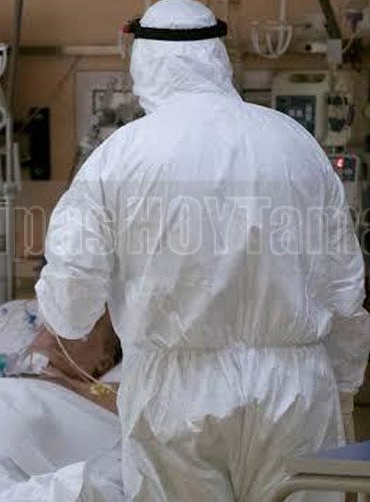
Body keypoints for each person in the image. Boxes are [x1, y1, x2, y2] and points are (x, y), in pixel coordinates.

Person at [35, 0, 370, 500]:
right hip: (294, 394)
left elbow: (71, 307)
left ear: (142, 58)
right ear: (218, 55)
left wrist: (64, 309)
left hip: (177, 402)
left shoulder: (118, 158)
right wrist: (343, 386)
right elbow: (345, 288)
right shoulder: (295, 144)